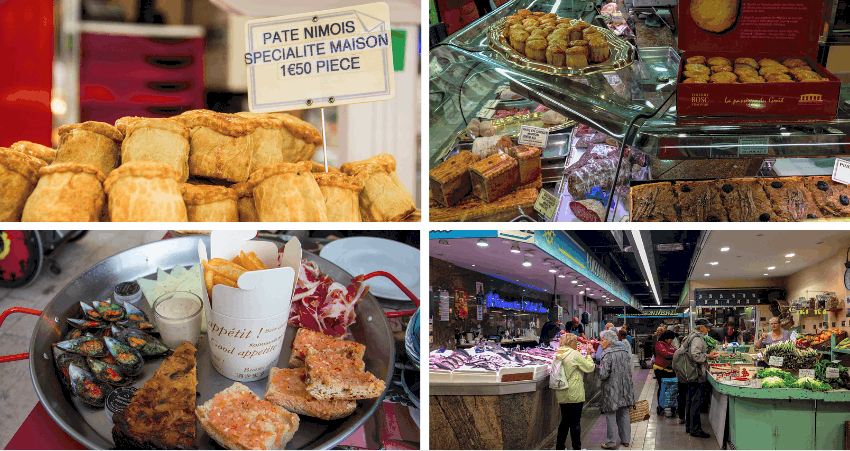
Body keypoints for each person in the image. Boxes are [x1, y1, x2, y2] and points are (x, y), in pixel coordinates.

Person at [553, 333, 596, 450]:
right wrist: (589, 355)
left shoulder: (558, 354)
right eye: (575, 342)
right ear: (570, 342)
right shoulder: (574, 354)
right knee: (575, 421)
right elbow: (589, 367)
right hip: (574, 392)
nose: (576, 344)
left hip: (561, 391)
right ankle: (577, 448)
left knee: (564, 421)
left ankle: (560, 447)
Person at [673, 318, 712, 439]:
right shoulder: (697, 338)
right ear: (701, 328)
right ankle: (695, 429)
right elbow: (695, 355)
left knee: (690, 402)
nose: (708, 329)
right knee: (696, 403)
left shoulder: (691, 336)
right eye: (707, 327)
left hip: (689, 374)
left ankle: (690, 427)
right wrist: (707, 356)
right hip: (696, 375)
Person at [597, 329, 635, 449]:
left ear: (609, 341)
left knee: (611, 414)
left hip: (611, 389)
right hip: (625, 388)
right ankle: (626, 440)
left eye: (602, 340)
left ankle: (611, 442)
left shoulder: (607, 354)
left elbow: (603, 375)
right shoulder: (624, 351)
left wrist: (596, 368)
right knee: (624, 412)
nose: (600, 343)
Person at [654, 330, 678, 417]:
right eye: (670, 340)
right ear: (666, 338)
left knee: (672, 387)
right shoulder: (660, 344)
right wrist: (676, 354)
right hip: (660, 369)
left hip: (670, 369)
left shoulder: (669, 344)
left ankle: (673, 406)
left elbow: (675, 350)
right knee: (662, 387)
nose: (671, 341)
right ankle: (661, 407)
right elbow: (665, 354)